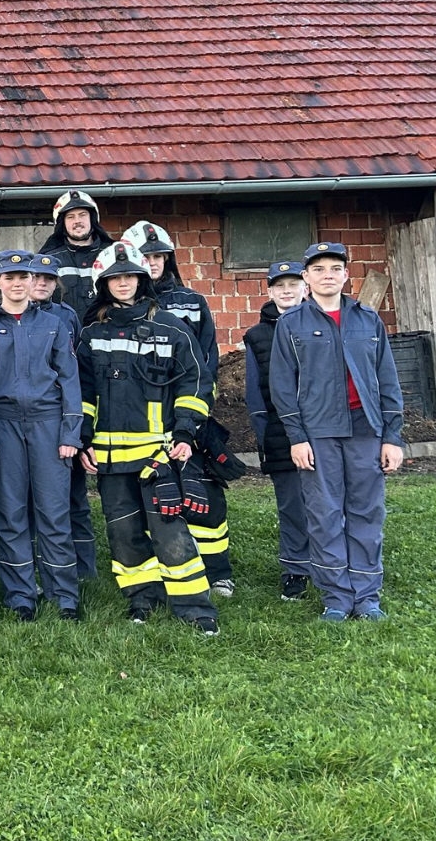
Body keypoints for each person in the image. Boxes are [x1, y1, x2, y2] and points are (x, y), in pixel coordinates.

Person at [78, 242, 219, 635]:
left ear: (142, 279)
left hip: (159, 454)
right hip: (109, 457)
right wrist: (84, 440)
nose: (123, 283)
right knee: (123, 534)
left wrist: (186, 433)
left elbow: (195, 383)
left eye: (129, 276)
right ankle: (142, 599)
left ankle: (195, 608)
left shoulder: (171, 327)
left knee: (170, 531)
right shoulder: (91, 334)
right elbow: (83, 394)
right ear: (103, 284)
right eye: (114, 278)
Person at [270, 241, 404, 622]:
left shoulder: (367, 319)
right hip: (318, 433)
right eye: (318, 269)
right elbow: (282, 387)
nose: (327, 274)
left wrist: (392, 437)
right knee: (325, 513)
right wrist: (297, 436)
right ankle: (336, 597)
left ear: (346, 274)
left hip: (366, 429)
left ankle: (366, 595)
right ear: (307, 277)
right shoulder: (291, 324)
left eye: (334, 268)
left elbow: (388, 381)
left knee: (366, 511)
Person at [0, 250, 83, 621]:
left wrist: (70, 433)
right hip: (3, 424)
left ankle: (63, 595)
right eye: (10, 277)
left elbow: (69, 381)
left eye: (24, 277)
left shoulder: (53, 325)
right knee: (11, 511)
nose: (18, 283)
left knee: (53, 511)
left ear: (34, 282)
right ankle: (20, 595)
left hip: (48, 424)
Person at [122, 220, 233, 596]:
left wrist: (196, 415)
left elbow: (207, 363)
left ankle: (218, 572)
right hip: (146, 422)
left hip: (190, 416)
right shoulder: (122, 308)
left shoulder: (192, 301)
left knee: (205, 496)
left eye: (158, 255)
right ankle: (166, 571)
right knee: (158, 498)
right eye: (144, 256)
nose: (152, 263)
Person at [244, 260, 313, 602]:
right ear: (269, 292)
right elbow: (254, 393)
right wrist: (265, 434)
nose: (287, 291)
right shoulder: (256, 336)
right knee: (292, 506)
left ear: (305, 287)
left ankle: (332, 566)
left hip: (326, 429)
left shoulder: (324, 324)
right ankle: (296, 570)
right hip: (280, 430)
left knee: (330, 502)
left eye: (293, 284)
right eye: (279, 286)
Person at [30, 251, 94, 577]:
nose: (41, 284)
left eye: (48, 279)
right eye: (36, 278)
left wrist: (77, 423)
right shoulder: (6, 318)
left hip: (63, 418)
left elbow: (76, 370)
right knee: (32, 503)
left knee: (74, 498)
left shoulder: (67, 316)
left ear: (56, 284)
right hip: (29, 420)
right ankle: (37, 568)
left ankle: (83, 568)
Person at [39, 190, 114, 314]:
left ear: (93, 219)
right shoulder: (49, 260)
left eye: (82, 215)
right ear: (62, 223)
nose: (77, 221)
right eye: (70, 217)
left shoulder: (112, 255)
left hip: (107, 331)